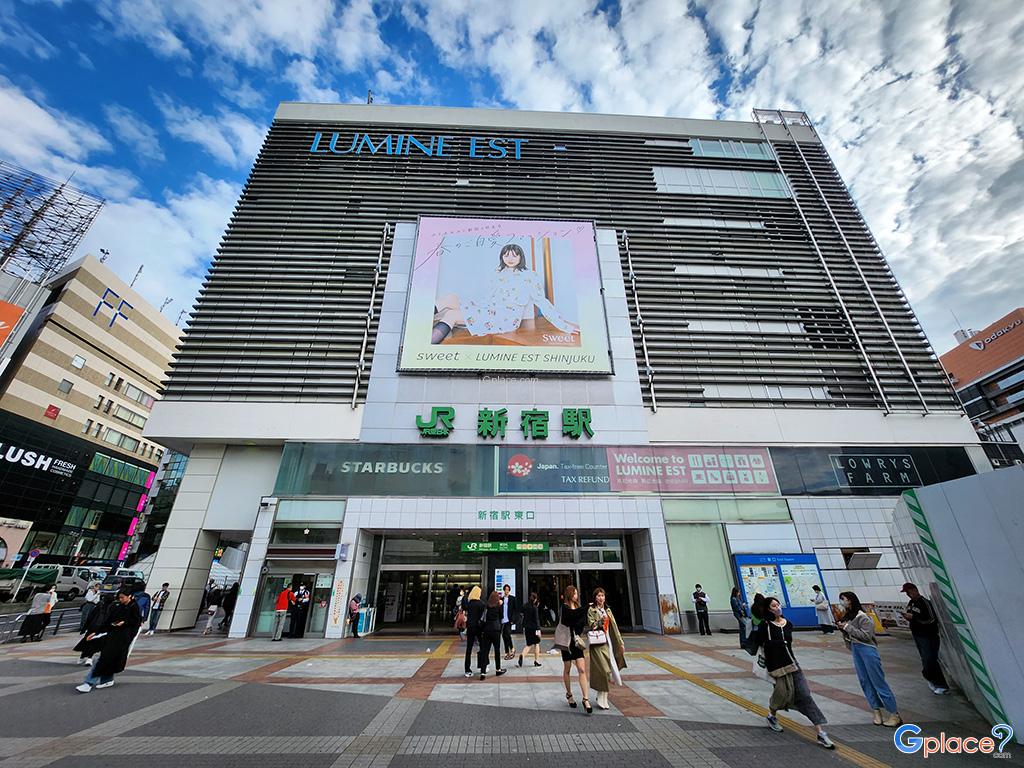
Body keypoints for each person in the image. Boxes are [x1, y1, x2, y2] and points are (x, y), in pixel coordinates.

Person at [431, 244, 581, 344]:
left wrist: (564, 325)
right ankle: (421, 322)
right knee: (450, 298)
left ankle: (425, 346)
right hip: (489, 308)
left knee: (451, 315)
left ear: (521, 257)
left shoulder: (530, 276)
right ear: (502, 257)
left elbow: (542, 302)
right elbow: (490, 297)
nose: (510, 259)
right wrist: (475, 307)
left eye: (514, 255)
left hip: (505, 318)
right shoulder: (498, 272)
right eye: (506, 255)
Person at [752, 597, 835, 750]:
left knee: (805, 695)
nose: (777, 607)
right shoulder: (765, 625)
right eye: (774, 606)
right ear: (768, 609)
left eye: (778, 604)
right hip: (776, 667)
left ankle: (820, 732)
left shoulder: (788, 624)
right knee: (781, 695)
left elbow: (788, 645)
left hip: (792, 664)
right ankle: (772, 716)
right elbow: (756, 643)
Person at [836, 591, 902, 726]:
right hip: (856, 649)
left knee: (878, 681)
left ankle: (894, 714)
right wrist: (843, 629)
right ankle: (876, 710)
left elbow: (866, 636)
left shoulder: (863, 617)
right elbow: (850, 634)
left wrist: (847, 627)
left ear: (851, 600)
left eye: (843, 599)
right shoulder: (848, 616)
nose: (842, 602)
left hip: (867, 649)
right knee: (865, 681)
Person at [75, 588, 143, 692]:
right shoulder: (119, 606)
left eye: (122, 597)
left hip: (122, 639)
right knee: (108, 659)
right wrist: (96, 632)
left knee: (103, 659)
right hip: (113, 635)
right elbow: (108, 621)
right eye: (119, 597)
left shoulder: (134, 608)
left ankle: (89, 683)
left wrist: (124, 623)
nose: (120, 599)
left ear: (129, 596)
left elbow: (136, 623)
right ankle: (107, 680)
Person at [901, 582, 949, 694]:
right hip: (917, 635)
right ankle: (932, 679)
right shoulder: (911, 603)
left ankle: (941, 684)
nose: (908, 594)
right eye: (906, 593)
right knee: (925, 659)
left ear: (914, 590)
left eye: (908, 592)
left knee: (930, 659)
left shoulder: (925, 603)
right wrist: (908, 617)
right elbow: (911, 615)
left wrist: (914, 618)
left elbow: (931, 619)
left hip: (928, 635)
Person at [586, 587, 626, 711]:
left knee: (608, 670)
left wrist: (620, 642)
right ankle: (600, 695)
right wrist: (600, 622)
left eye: (602, 595)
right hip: (598, 643)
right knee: (603, 669)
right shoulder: (592, 610)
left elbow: (615, 627)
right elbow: (591, 624)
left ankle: (603, 696)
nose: (601, 598)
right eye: (598, 596)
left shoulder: (608, 610)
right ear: (595, 597)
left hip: (609, 642)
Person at [558, 585, 591, 714]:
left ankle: (585, 699)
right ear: (570, 594)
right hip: (566, 641)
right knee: (567, 668)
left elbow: (581, 621)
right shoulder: (564, 607)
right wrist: (585, 608)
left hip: (576, 641)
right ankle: (569, 694)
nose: (577, 595)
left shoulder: (578, 607)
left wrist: (577, 623)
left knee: (582, 669)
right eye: (575, 593)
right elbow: (570, 617)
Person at [478, 590, 506, 679]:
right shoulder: (498, 606)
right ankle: (498, 669)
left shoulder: (486, 606)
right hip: (496, 630)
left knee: (485, 651)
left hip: (487, 630)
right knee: (497, 650)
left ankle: (483, 672)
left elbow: (483, 618)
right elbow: (501, 617)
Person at [464, 586, 485, 677]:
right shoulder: (481, 604)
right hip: (479, 628)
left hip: (470, 628)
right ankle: (482, 666)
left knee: (469, 649)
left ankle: (467, 669)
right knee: (482, 647)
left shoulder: (469, 604)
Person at [518, 592, 543, 668]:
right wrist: (538, 630)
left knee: (529, 644)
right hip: (534, 628)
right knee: (537, 644)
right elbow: (536, 619)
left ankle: (522, 655)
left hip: (527, 628)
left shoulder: (525, 606)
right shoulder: (534, 608)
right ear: (535, 599)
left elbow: (521, 612)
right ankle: (536, 661)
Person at [500, 583, 520, 660]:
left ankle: (512, 648)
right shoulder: (501, 599)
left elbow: (516, 610)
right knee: (504, 636)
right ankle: (507, 652)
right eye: (505, 589)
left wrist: (513, 620)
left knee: (507, 634)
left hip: (509, 620)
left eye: (508, 590)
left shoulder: (512, 598)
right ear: (504, 590)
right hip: (502, 620)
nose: (506, 591)